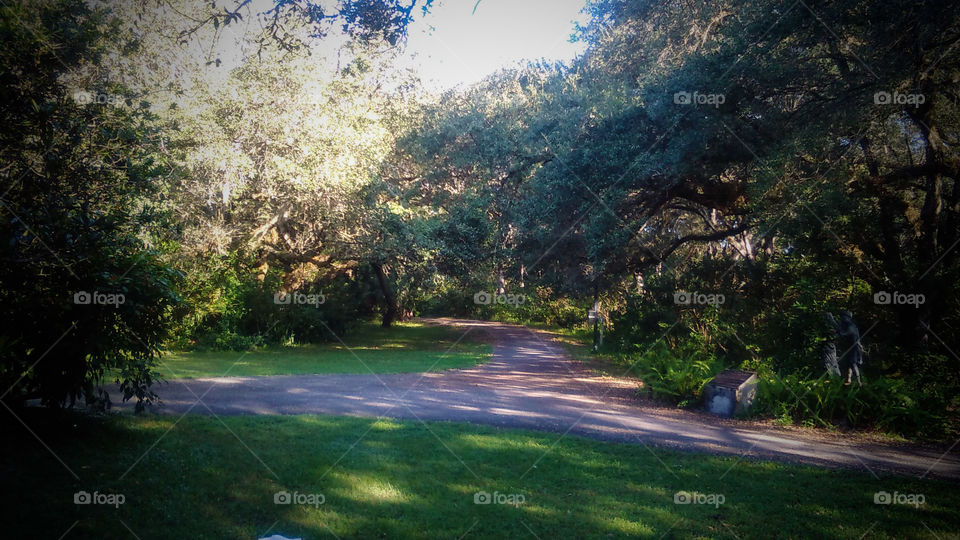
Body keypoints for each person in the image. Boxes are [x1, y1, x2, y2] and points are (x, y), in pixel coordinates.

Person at [825, 311, 864, 386]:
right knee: (849, 364)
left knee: (853, 363)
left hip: (854, 348)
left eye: (843, 317)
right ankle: (848, 379)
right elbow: (839, 331)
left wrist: (832, 320)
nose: (841, 319)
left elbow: (842, 333)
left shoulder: (851, 326)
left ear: (847, 318)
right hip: (849, 347)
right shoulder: (846, 325)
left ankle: (859, 381)